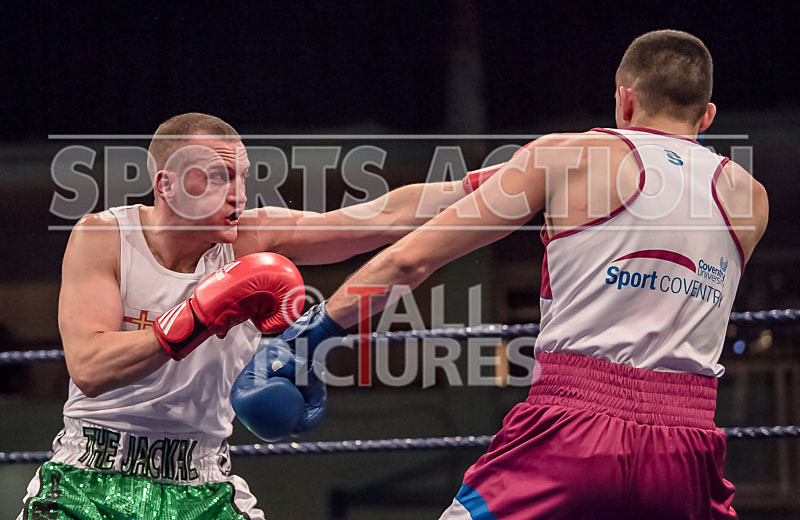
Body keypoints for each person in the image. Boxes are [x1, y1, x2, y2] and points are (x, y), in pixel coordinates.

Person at [244, 30, 769, 518]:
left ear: (625, 101)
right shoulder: (749, 198)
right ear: (707, 116)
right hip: (688, 445)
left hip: (571, 429)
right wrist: (295, 227)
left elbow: (412, 257)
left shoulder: (569, 157)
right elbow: (444, 198)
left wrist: (312, 332)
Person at [18, 112, 481, 519]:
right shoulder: (105, 236)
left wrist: (494, 185)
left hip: (202, 481)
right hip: (89, 478)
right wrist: (202, 314)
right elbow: (90, 367)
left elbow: (380, 217)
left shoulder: (252, 238)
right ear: (167, 184)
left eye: (241, 176)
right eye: (218, 177)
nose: (238, 194)